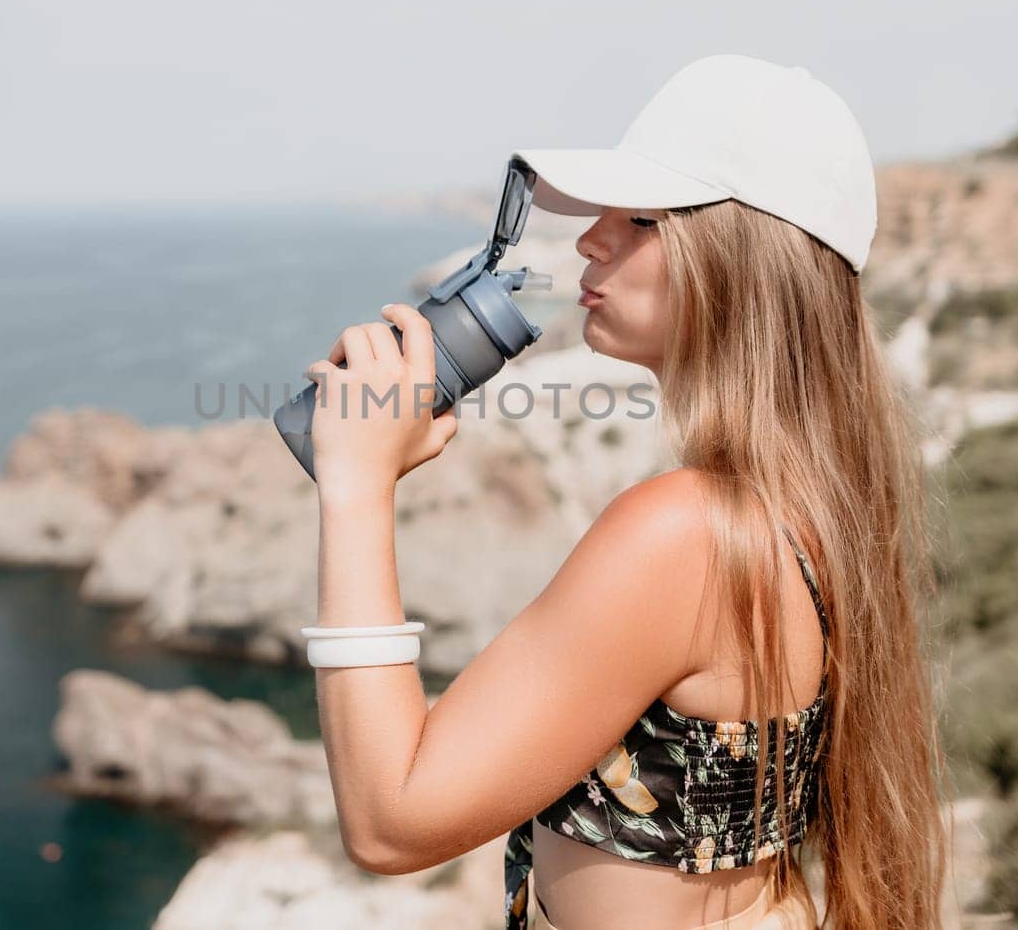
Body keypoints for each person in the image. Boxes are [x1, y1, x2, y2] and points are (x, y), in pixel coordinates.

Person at [297, 54, 951, 929]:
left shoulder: (687, 530)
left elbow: (391, 822)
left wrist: (356, 486)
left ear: (743, 261)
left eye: (641, 217)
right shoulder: (806, 503)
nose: (590, 239)